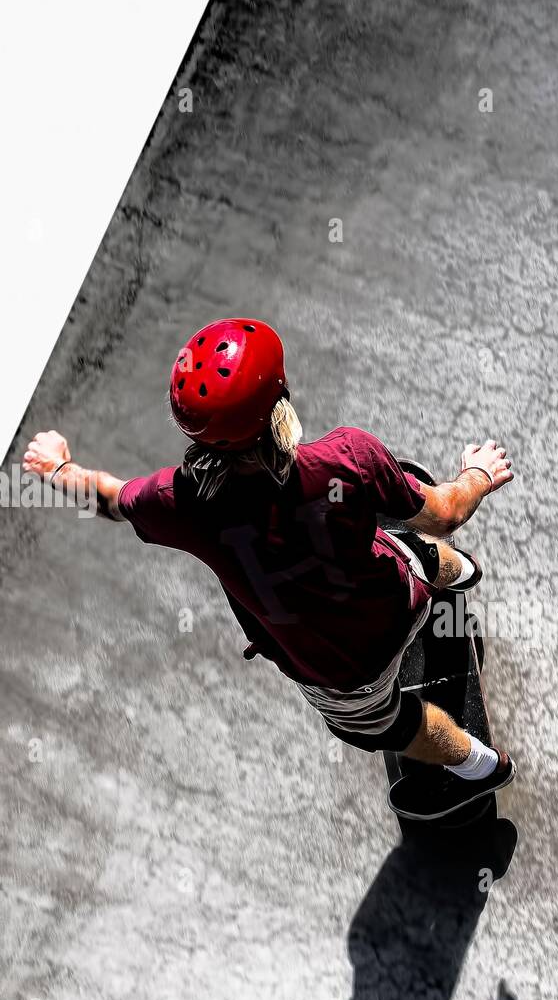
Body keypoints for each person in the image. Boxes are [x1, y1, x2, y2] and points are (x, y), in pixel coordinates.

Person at [24, 317, 515, 820]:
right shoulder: (348, 456)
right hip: (400, 591)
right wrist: (476, 473)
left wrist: (59, 469)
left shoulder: (181, 504)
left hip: (345, 671)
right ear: (282, 403)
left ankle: (481, 768)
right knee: (401, 526)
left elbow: (108, 498)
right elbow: (448, 511)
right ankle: (460, 573)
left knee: (386, 726)